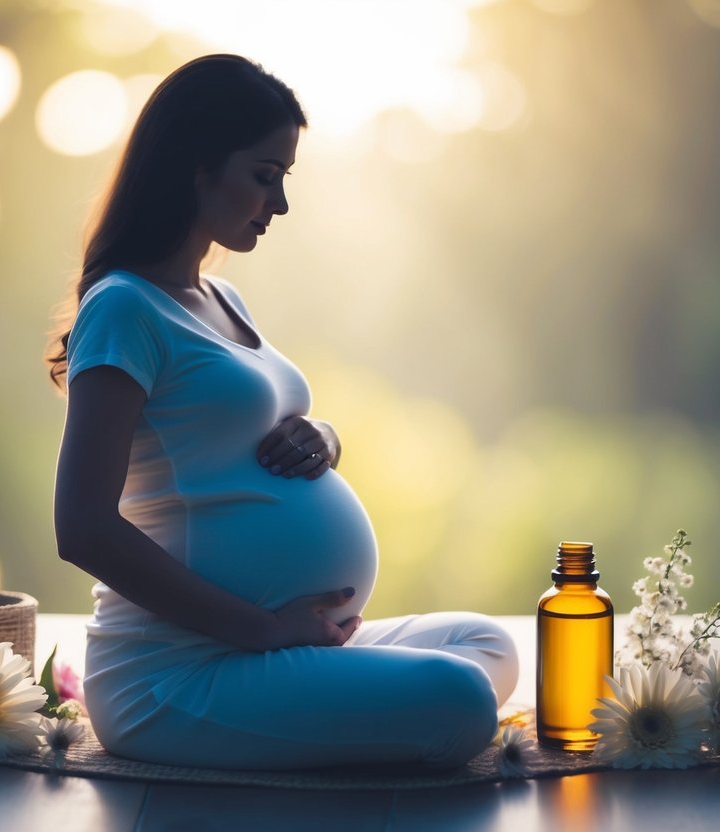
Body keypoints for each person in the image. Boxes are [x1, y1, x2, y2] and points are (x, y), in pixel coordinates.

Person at [48, 54, 519, 771]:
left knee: (486, 646)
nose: (280, 204)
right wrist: (261, 629)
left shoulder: (219, 298)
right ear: (195, 168)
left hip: (279, 641)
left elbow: (241, 434)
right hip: (177, 673)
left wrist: (322, 438)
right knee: (457, 695)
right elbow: (81, 526)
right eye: (264, 177)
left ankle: (332, 695)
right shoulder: (122, 307)